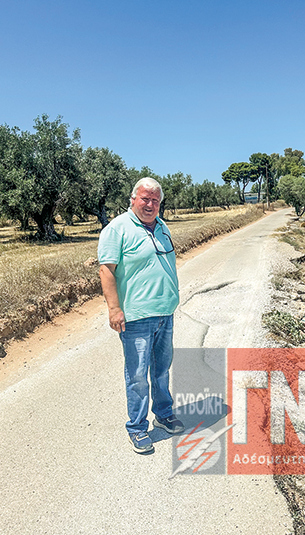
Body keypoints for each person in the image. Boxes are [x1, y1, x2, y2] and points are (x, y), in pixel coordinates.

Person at [97, 177, 185, 454]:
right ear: (133, 199)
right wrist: (114, 309)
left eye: (155, 200)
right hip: (136, 317)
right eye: (145, 198)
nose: (150, 204)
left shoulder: (161, 226)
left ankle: (163, 414)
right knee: (137, 375)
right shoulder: (117, 229)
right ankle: (136, 427)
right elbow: (106, 270)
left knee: (161, 370)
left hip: (165, 313)